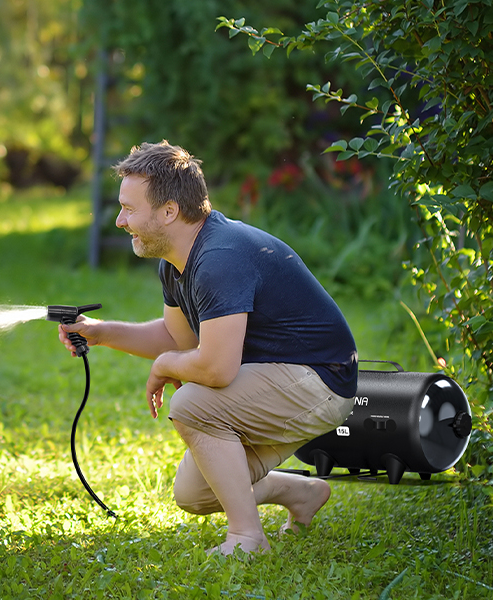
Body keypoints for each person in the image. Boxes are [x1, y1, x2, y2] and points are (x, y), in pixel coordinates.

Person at [58, 142, 357, 556]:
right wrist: (101, 332)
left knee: (192, 404)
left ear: (168, 212)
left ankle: (247, 538)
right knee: (194, 493)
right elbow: (178, 338)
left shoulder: (219, 258)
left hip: (320, 380)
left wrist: (166, 366)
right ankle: (301, 493)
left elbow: (216, 369)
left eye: (129, 208)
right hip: (280, 379)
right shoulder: (177, 262)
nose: (120, 220)